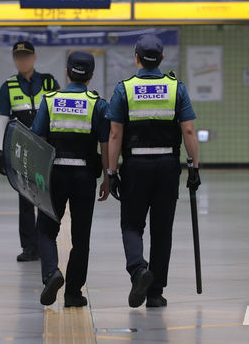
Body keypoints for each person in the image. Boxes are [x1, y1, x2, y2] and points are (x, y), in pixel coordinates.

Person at [106, 34, 200, 308]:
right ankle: (155, 293)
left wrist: (111, 172)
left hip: (135, 166)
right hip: (168, 168)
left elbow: (114, 134)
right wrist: (194, 166)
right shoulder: (176, 88)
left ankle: (138, 270)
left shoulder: (124, 89)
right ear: (161, 59)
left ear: (136, 58)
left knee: (131, 225)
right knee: (162, 231)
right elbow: (189, 130)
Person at [30, 51, 110, 307]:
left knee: (45, 229)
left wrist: (39, 176)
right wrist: (108, 177)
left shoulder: (50, 100)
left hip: (55, 175)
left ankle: (52, 272)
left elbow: (38, 139)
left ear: (66, 72)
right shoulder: (98, 104)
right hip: (84, 176)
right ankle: (74, 293)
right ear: (91, 75)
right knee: (81, 237)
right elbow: (105, 143)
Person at [0, 40, 60, 262]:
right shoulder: (8, 87)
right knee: (25, 201)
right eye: (18, 58)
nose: (22, 61)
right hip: (20, 153)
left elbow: (59, 113)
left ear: (34, 58)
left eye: (26, 57)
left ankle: (46, 243)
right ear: (14, 60)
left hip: (45, 152)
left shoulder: (49, 82)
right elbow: (2, 119)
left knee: (46, 199)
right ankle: (29, 247)